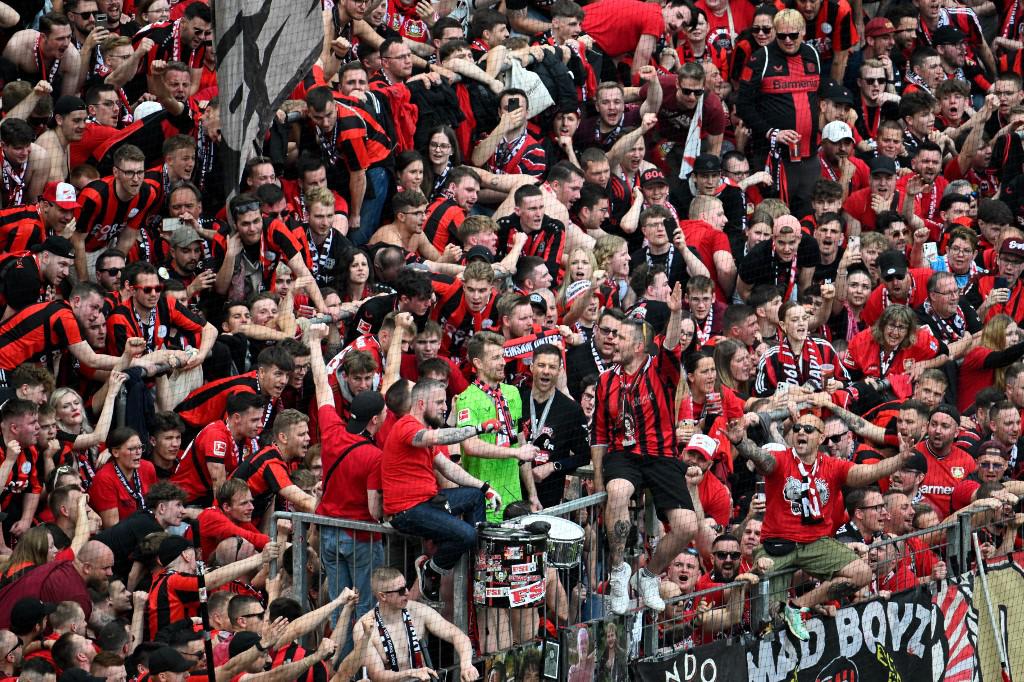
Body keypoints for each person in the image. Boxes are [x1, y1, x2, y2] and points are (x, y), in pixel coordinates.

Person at [725, 411, 914, 641]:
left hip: (816, 544)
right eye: (797, 429)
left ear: (822, 437)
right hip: (778, 545)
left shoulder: (833, 466)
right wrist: (740, 442)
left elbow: (869, 473)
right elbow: (760, 458)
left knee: (861, 573)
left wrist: (900, 459)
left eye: (808, 429)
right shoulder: (781, 460)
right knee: (771, 619)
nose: (801, 432)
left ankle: (797, 606)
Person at [593, 283, 704, 616]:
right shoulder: (605, 380)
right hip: (623, 456)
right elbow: (599, 435)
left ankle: (649, 574)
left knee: (687, 526)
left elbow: (670, 347)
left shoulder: (659, 370)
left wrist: (674, 313)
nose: (613, 341)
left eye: (622, 338)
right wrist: (599, 478)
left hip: (660, 455)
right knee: (617, 492)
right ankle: (617, 571)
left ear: (640, 346)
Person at [383, 378, 499, 603]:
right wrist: (475, 429)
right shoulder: (407, 426)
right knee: (467, 534)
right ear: (420, 404)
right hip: (407, 511)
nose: (445, 407)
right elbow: (434, 437)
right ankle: (432, 569)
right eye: (439, 402)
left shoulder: (425, 431)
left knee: (475, 496)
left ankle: (478, 564)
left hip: (427, 503)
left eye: (444, 402)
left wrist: (485, 487)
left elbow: (448, 468)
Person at [351, 566, 478, 681]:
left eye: (406, 587)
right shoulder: (364, 628)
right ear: (383, 596)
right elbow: (378, 675)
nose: (407, 593)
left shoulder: (418, 610)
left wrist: (466, 664)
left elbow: (457, 635)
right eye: (400, 591)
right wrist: (412, 673)